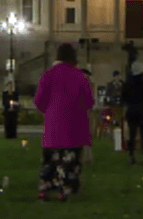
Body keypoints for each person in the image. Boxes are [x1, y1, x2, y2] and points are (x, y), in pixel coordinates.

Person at [34, 43, 95, 201]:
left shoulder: (48, 75)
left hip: (53, 126)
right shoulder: (80, 76)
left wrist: (49, 111)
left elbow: (39, 101)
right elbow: (89, 102)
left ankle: (46, 187)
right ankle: (66, 188)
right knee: (70, 161)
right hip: (75, 127)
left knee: (51, 161)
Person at [123, 60, 143, 165]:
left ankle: (131, 156)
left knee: (131, 135)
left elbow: (124, 98)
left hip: (132, 111)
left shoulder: (127, 84)